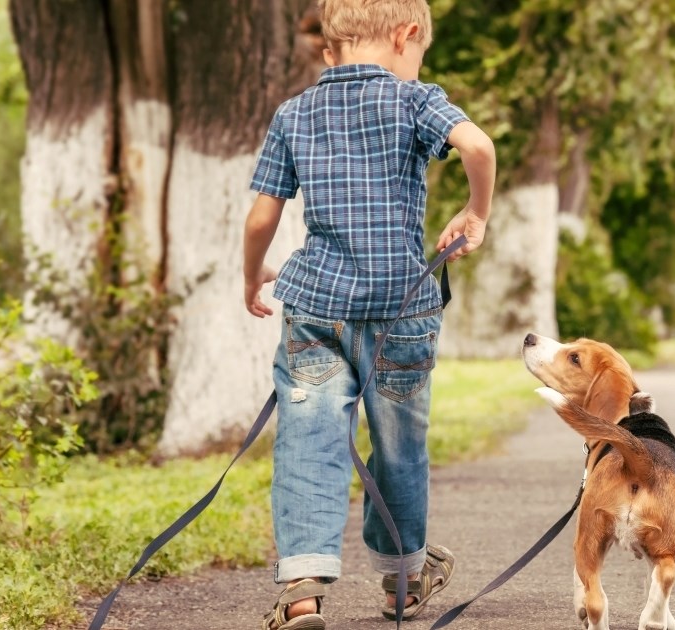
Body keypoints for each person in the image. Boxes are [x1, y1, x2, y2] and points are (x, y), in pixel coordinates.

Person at [241, 0, 495, 627]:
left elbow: (262, 217)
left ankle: (301, 589)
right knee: (399, 449)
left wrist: (253, 276)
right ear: (408, 36)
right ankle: (403, 583)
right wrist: (475, 212)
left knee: (309, 443)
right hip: (401, 310)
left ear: (331, 49)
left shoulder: (295, 113)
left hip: (316, 308)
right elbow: (478, 146)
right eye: (419, 54)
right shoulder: (416, 101)